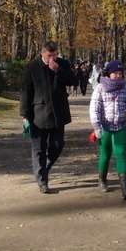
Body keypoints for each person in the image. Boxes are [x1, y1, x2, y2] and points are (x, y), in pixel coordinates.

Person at [20, 40, 78, 194]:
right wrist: (24, 115)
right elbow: (25, 92)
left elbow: (73, 81)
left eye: (55, 55)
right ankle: (42, 181)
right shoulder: (32, 67)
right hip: (38, 114)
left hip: (58, 113)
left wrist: (58, 70)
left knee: (58, 145)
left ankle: (44, 169)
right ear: (42, 54)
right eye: (49, 56)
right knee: (39, 149)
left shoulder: (62, 64)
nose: (52, 58)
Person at [89, 60, 126, 200]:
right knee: (105, 154)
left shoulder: (124, 88)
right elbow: (94, 108)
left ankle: (125, 188)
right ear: (108, 74)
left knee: (121, 154)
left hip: (120, 127)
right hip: (104, 127)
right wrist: (96, 126)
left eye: (120, 73)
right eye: (114, 73)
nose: (118, 75)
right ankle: (102, 179)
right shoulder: (100, 88)